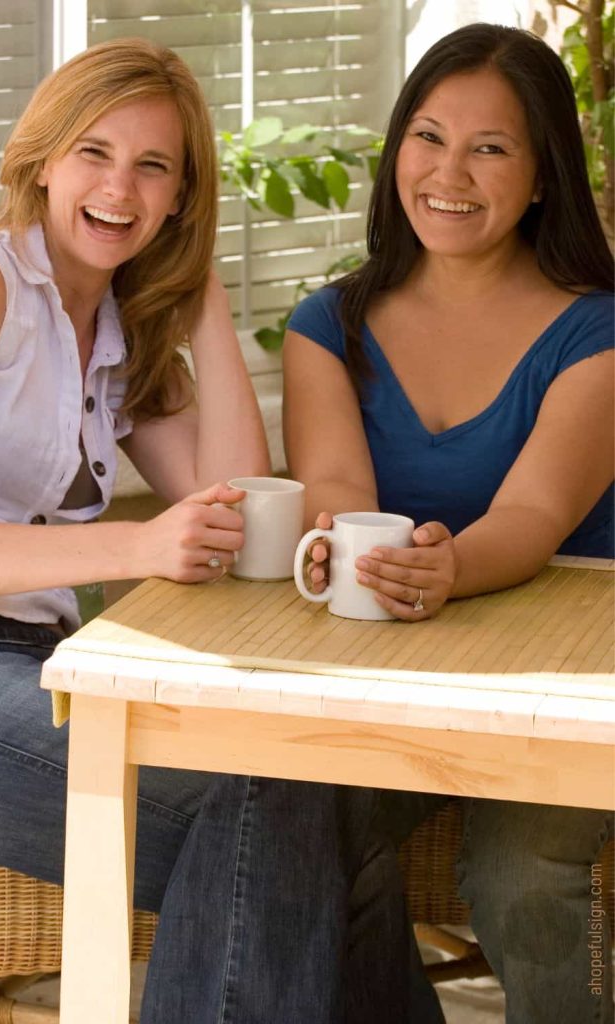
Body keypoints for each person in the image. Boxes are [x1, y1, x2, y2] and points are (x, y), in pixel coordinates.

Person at [0, 37, 437, 1024]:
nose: (120, 186)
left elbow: (246, 520)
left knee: (304, 800)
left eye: (153, 166)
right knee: (297, 817)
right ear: (41, 157)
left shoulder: (119, 330)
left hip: (41, 666)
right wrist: (135, 544)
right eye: (95, 152)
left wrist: (201, 293)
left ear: (179, 196)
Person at [283, 22, 614, 1024]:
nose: (447, 173)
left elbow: (535, 512)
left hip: (571, 679)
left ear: (542, 174)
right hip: (396, 674)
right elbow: (332, 487)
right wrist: (368, 556)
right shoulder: (324, 324)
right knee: (300, 835)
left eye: (489, 147)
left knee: (518, 872)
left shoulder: (594, 328)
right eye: (427, 138)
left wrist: (447, 568)